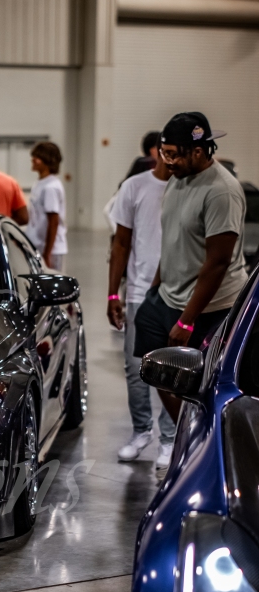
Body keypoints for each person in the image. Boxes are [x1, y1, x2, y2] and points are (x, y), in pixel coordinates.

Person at [134, 111, 248, 452]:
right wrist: (156, 287)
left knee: (198, 383)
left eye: (173, 154)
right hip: (168, 295)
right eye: (163, 153)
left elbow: (218, 263)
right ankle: (191, 440)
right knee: (156, 368)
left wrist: (187, 320)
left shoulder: (221, 191)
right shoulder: (178, 179)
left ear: (198, 150)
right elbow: (173, 240)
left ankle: (206, 445)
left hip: (209, 307)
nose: (166, 161)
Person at [107, 151, 176, 474]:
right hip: (138, 292)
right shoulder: (134, 187)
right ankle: (141, 431)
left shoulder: (187, 188)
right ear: (158, 152)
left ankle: (169, 439)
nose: (174, 159)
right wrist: (113, 293)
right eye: (169, 152)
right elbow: (120, 243)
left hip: (177, 294)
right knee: (136, 368)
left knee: (173, 370)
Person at [27, 142, 67, 270]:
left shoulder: (51, 187)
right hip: (37, 245)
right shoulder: (40, 183)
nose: (33, 159)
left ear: (48, 161)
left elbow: (53, 222)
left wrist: (47, 253)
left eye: (37, 157)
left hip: (50, 250)